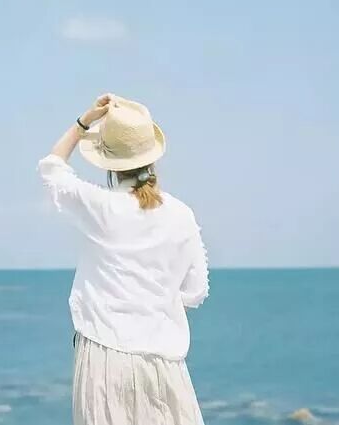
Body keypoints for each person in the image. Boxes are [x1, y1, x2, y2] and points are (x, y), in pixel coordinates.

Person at [37, 93, 210, 425]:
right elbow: (195, 291)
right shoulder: (181, 214)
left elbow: (51, 168)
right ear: (152, 157)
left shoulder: (99, 206)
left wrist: (84, 121)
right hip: (164, 363)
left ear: (108, 163)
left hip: (103, 360)